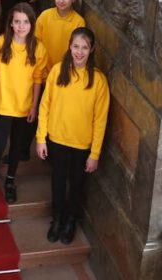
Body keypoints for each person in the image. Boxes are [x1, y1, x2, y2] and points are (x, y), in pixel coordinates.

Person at [36, 27, 110, 245]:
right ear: (69, 46)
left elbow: (100, 120)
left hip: (81, 145)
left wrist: (94, 153)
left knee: (76, 185)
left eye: (84, 47)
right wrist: (41, 138)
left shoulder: (98, 81)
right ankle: (57, 219)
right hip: (57, 140)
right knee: (58, 182)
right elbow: (44, 106)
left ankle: (70, 221)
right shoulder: (58, 71)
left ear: (91, 50)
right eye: (76, 46)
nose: (79, 52)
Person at [0, 3, 46, 203]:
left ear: (32, 25)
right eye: (17, 21)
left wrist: (34, 106)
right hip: (3, 105)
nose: (21, 26)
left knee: (16, 147)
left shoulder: (38, 48)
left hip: (24, 107)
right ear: (10, 23)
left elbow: (37, 80)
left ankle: (10, 180)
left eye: (25, 22)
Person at [36, 0, 85, 74]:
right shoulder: (45, 16)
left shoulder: (79, 22)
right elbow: (36, 43)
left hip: (65, 71)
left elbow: (78, 50)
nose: (61, 1)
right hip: (43, 69)